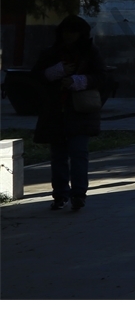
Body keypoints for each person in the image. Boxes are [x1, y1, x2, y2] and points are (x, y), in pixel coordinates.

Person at [33, 15, 109, 211]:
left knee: (78, 153)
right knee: (58, 155)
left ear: (81, 34)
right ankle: (60, 195)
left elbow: (103, 77)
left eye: (74, 32)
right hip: (55, 111)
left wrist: (78, 81)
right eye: (66, 32)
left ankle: (78, 194)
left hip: (81, 111)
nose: (69, 36)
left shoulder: (90, 53)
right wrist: (56, 72)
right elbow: (36, 76)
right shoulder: (51, 53)